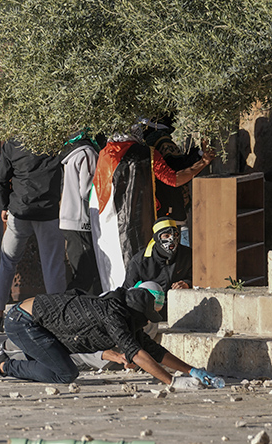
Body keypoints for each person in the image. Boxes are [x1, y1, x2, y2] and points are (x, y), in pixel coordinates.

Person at [0, 286, 217, 389]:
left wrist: (192, 371)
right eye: (145, 315)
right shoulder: (112, 312)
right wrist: (171, 382)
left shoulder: (121, 313)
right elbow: (136, 352)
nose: (147, 321)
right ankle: (0, 366)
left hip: (41, 328)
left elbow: (149, 348)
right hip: (23, 321)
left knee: (56, 362)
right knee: (63, 373)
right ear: (135, 311)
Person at [90, 126, 214, 291]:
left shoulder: (105, 152)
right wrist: (203, 162)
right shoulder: (146, 153)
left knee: (110, 266)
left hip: (104, 217)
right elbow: (174, 180)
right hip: (134, 220)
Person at [0, 140, 65, 332]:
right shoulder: (55, 142)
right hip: (48, 213)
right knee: (53, 265)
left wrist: (4, 205)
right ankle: (59, 318)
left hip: (19, 212)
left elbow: (1, 179)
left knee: (8, 262)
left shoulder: (13, 144)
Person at [59, 131, 102, 295]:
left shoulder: (71, 154)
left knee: (81, 272)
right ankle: (63, 310)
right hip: (80, 220)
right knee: (85, 275)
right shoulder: (88, 153)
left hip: (69, 218)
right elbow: (86, 190)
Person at [124, 217, 191, 319]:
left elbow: (199, 278)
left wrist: (187, 284)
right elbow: (128, 292)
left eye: (175, 235)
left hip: (182, 311)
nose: (171, 239)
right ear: (156, 238)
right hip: (150, 315)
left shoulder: (187, 255)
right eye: (166, 235)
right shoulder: (140, 261)